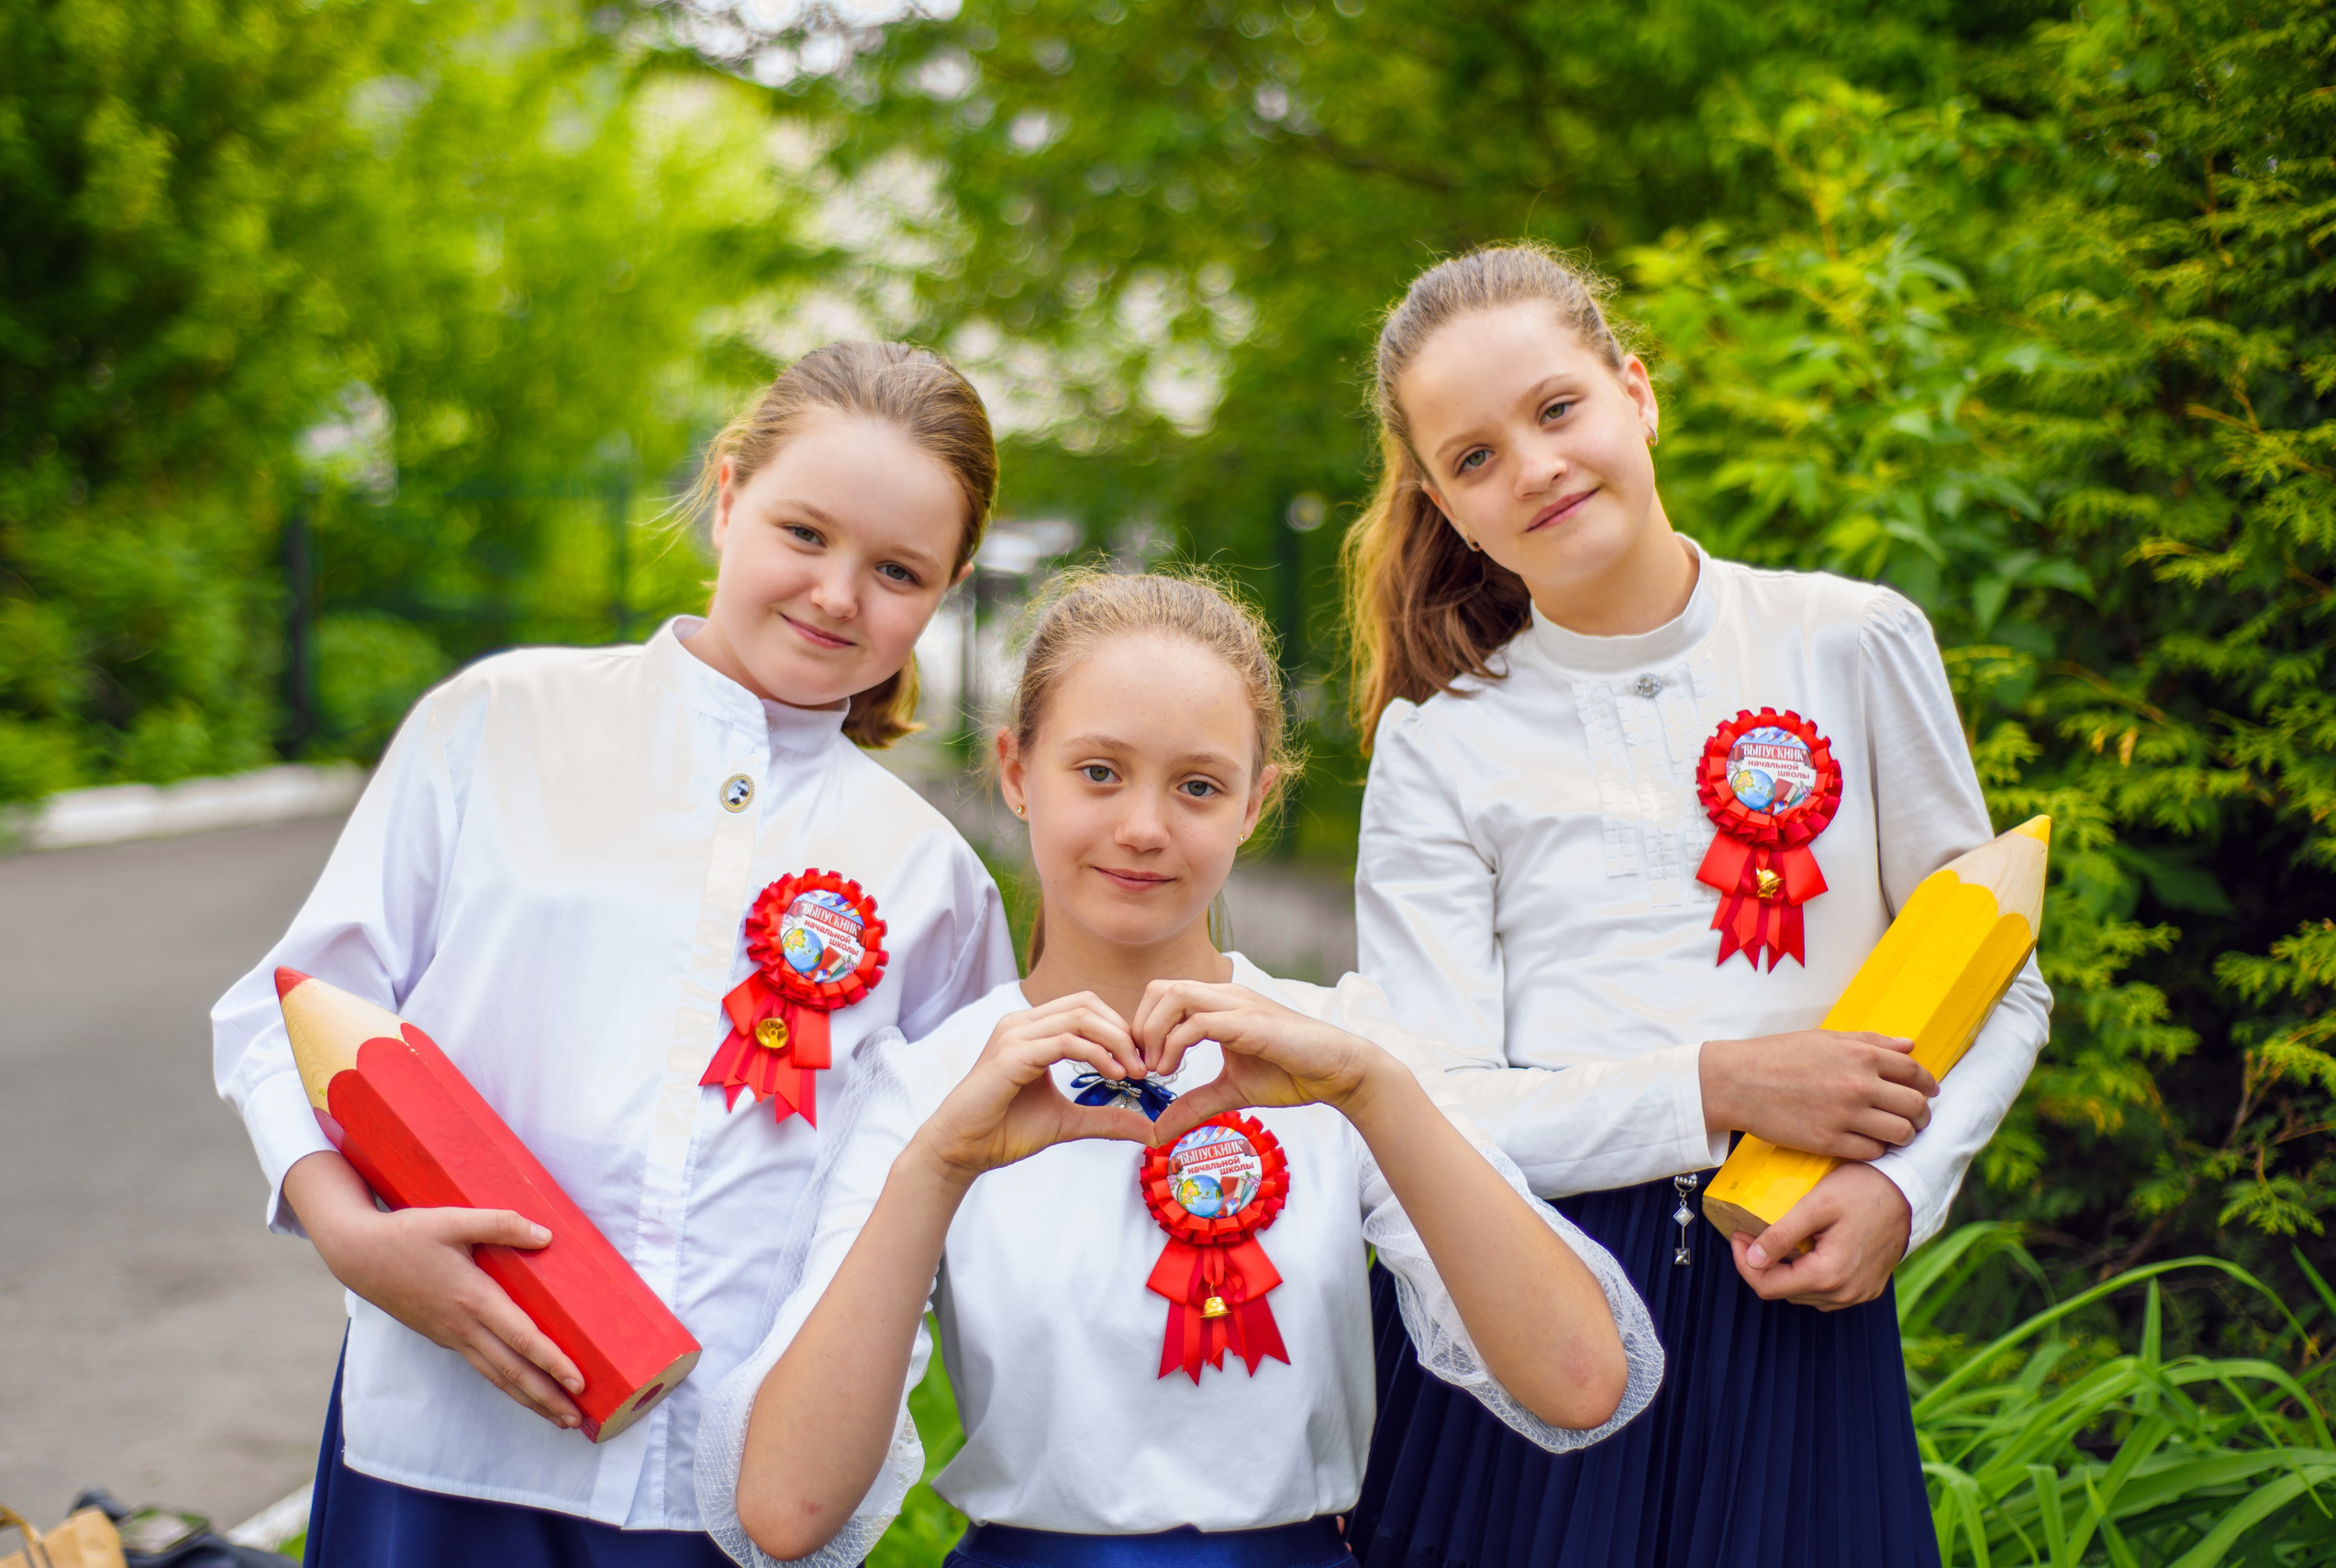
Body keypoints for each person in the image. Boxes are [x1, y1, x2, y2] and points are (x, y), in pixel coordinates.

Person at [210, 342, 1020, 1567]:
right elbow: (294, 1009)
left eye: (897, 569)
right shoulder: (500, 722)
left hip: (714, 1488)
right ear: (730, 491)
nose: (839, 594)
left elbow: (953, 1200)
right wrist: (352, 1237)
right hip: (439, 1444)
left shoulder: (933, 880)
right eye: (805, 531)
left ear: (947, 589)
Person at [695, 571, 1663, 1568]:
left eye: (1197, 784)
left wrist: (1377, 1094)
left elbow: (1580, 1380)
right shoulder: (939, 1081)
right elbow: (786, 1507)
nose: (1146, 827)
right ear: (1017, 771)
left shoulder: (1338, 1049)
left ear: (1256, 802)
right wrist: (936, 1167)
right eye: (1099, 772)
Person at [1339, 243, 2053, 1568]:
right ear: (1442, 498)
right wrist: (1719, 1084)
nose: (1537, 467)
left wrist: (1903, 1184)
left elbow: (1997, 971)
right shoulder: (1438, 745)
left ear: (1637, 392)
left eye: (1557, 410)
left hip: (1790, 1278)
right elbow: (1428, 1107)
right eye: (1476, 457)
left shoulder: (1853, 640)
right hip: (1532, 1317)